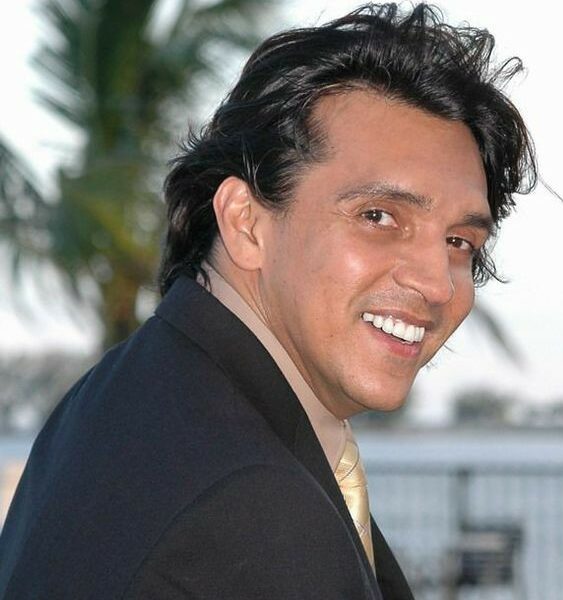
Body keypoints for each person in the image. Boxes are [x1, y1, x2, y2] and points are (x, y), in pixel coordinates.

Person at [0, 3, 535, 598]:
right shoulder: (256, 509)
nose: (438, 284)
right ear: (246, 222)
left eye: (459, 242)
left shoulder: (124, 398)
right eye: (378, 216)